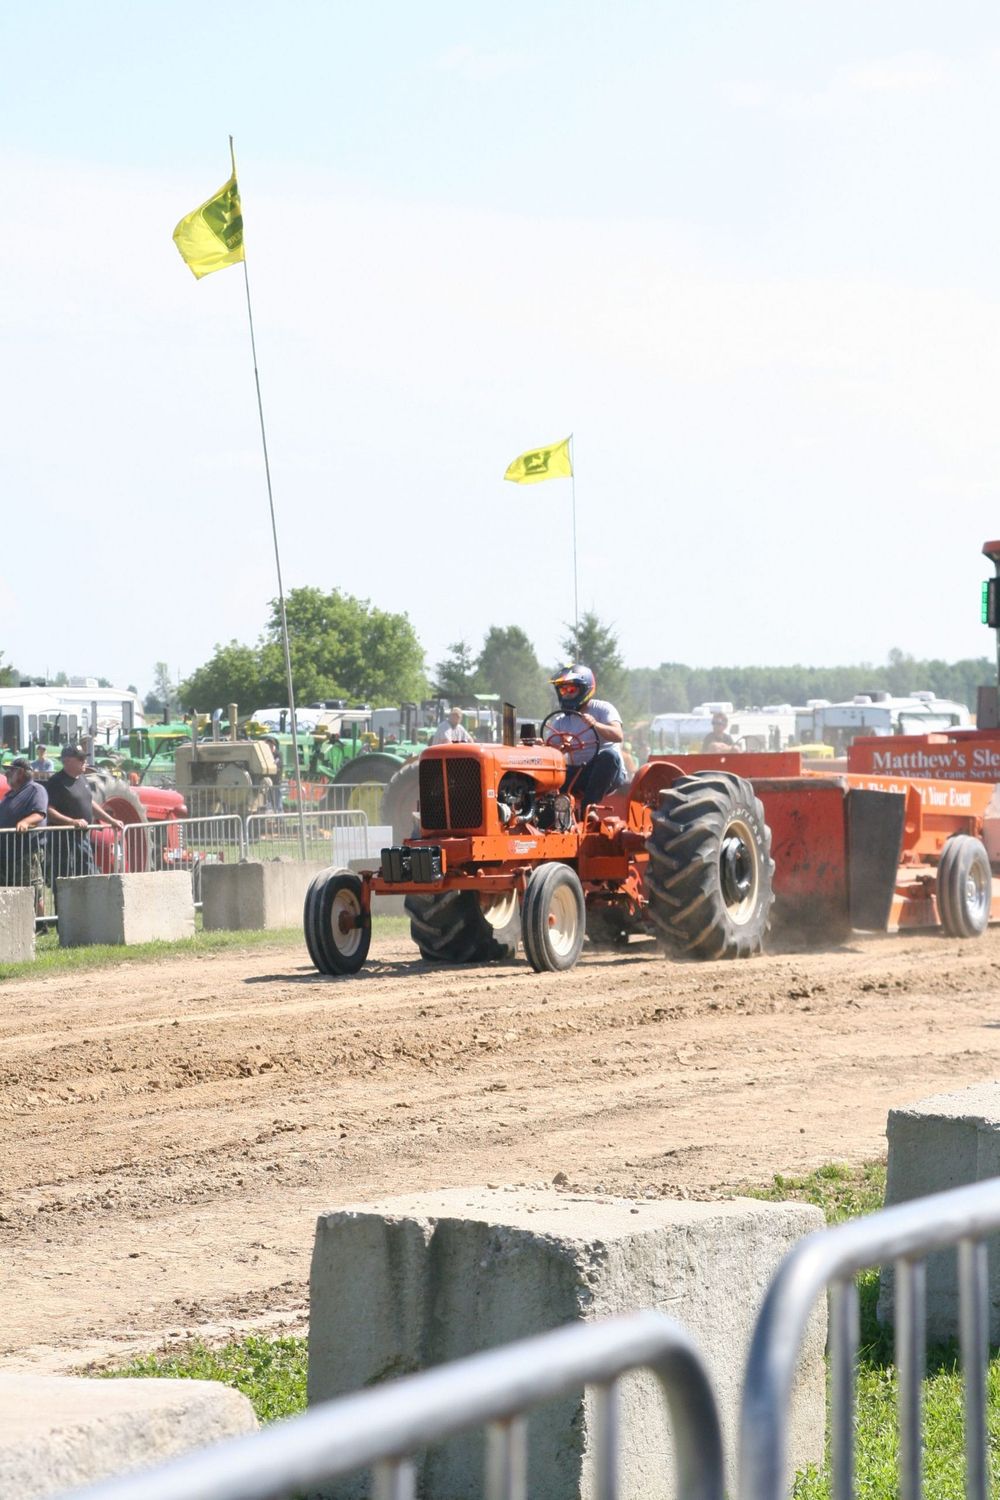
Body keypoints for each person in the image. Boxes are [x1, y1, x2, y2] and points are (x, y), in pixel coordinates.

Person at [545, 664, 629, 806]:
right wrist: (555, 747)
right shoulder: (560, 721)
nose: (566, 694)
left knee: (609, 756)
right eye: (562, 690)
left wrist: (595, 724)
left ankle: (588, 808)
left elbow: (618, 735)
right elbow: (550, 749)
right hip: (578, 773)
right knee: (549, 772)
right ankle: (545, 814)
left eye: (571, 689)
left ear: (585, 689)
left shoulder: (602, 709)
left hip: (607, 773)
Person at [44, 744, 123, 885]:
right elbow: (48, 810)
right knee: (66, 880)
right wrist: (71, 822)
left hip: (83, 837)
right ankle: (65, 908)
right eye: (80, 758)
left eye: (84, 758)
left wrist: (111, 820)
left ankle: (88, 907)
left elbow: (90, 802)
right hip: (64, 841)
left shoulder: (82, 778)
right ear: (67, 761)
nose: (84, 761)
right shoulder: (56, 782)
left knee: (89, 876)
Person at [0, 759, 47, 913]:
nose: (6, 774)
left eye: (10, 770)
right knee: (9, 888)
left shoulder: (35, 789)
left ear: (20, 772)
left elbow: (39, 813)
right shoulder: (9, 795)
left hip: (27, 851)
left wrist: (26, 822)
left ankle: (41, 924)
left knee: (33, 889)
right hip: (7, 853)